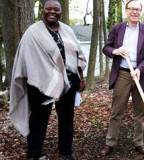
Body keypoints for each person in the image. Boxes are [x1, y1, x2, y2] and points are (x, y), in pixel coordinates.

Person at [9, 0, 87, 159]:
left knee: (66, 117)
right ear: (42, 11)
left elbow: (77, 53)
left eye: (56, 9)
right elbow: (25, 57)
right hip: (41, 83)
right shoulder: (33, 32)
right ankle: (34, 153)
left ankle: (65, 151)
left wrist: (81, 77)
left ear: (61, 12)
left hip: (69, 82)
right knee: (39, 119)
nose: (52, 12)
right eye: (48, 9)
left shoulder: (67, 30)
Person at [101, 0, 144, 156]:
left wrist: (140, 69)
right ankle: (110, 143)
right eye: (131, 9)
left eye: (137, 9)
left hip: (141, 74)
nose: (134, 12)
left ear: (141, 11)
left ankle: (139, 143)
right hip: (123, 73)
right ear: (126, 11)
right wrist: (116, 51)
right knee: (117, 110)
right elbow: (106, 47)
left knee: (140, 111)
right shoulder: (117, 29)